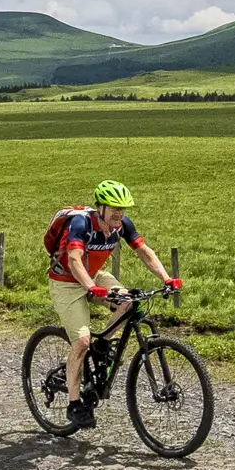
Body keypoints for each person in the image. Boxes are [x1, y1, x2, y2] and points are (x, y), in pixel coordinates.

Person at [44, 179, 181, 429]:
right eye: (113, 207)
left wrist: (167, 278)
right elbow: (74, 259)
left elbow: (144, 251)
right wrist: (90, 287)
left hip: (94, 275)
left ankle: (103, 343)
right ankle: (75, 404)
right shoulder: (81, 223)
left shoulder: (121, 225)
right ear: (101, 208)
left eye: (123, 208)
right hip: (66, 282)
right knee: (81, 341)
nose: (119, 213)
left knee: (129, 303)